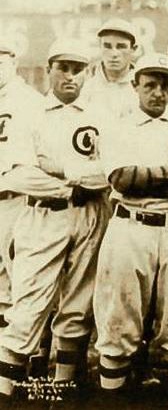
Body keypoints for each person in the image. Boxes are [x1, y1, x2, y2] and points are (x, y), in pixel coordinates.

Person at [92, 53, 168, 409]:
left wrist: (152, 177)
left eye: (165, 84)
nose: (159, 92)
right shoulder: (120, 126)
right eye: (150, 84)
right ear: (136, 86)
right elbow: (122, 179)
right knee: (118, 322)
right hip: (130, 228)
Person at [0, 40, 108, 405]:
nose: (70, 75)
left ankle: (61, 391)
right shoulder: (31, 111)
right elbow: (17, 176)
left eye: (78, 69)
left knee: (77, 306)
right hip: (41, 214)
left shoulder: (99, 114)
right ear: (49, 70)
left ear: (88, 73)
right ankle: (6, 394)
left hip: (88, 216)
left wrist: (60, 168)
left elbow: (107, 173)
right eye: (63, 67)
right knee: (27, 305)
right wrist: (69, 187)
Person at [0, 39, 44, 378]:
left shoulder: (29, 102)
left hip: (15, 203)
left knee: (22, 286)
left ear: (13, 60)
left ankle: (29, 368)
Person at [81, 18, 139, 118]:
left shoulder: (143, 86)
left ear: (133, 49)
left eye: (121, 47)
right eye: (107, 46)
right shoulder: (85, 86)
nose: (114, 54)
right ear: (100, 46)